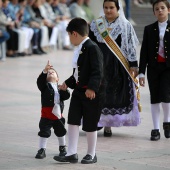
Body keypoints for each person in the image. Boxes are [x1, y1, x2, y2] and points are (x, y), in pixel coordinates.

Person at [53, 17, 103, 164]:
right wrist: (67, 84)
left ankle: (91, 154)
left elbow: (97, 71)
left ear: (74, 33)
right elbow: (78, 74)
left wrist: (92, 88)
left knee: (90, 124)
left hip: (91, 93)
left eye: (68, 35)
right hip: (79, 91)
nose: (69, 38)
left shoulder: (93, 48)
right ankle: (71, 153)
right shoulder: (80, 48)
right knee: (73, 121)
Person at [89, 0, 141, 137]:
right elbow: (90, 44)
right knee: (99, 94)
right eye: (105, 7)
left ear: (118, 8)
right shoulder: (96, 24)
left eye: (111, 7)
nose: (108, 10)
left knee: (113, 96)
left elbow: (130, 47)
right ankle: (98, 121)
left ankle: (108, 125)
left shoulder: (125, 25)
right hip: (100, 65)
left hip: (118, 66)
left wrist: (134, 65)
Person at [139, 0, 170, 141]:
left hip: (168, 68)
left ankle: (167, 122)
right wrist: (141, 72)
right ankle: (156, 128)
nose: (160, 11)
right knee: (155, 98)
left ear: (168, 10)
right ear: (154, 12)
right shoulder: (149, 29)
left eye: (163, 8)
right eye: (157, 9)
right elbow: (144, 52)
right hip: (153, 68)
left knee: (166, 95)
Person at [35, 61, 70, 159]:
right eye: (49, 72)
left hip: (58, 115)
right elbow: (40, 82)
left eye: (53, 72)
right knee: (44, 132)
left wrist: (64, 90)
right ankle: (42, 149)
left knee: (61, 131)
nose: (51, 72)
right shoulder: (44, 87)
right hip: (46, 115)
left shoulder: (59, 88)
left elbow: (66, 96)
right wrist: (45, 71)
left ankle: (62, 147)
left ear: (58, 79)